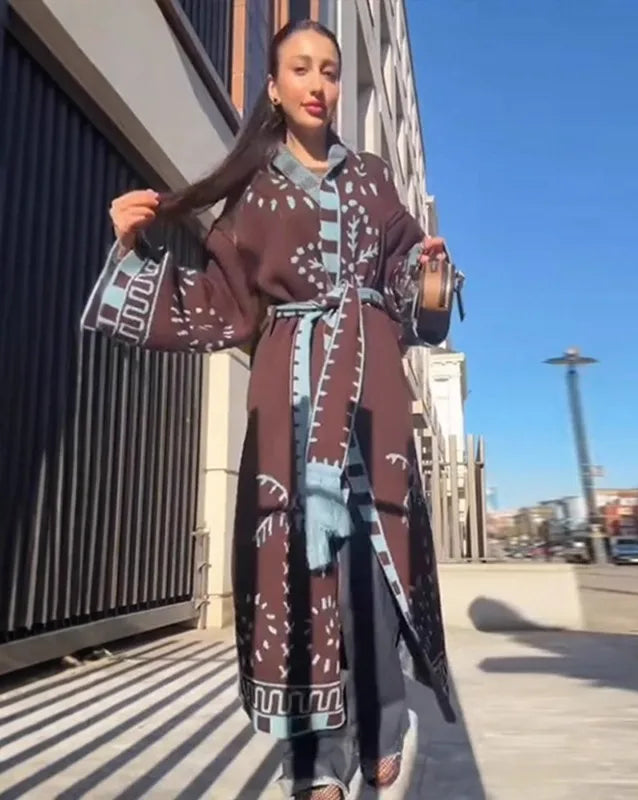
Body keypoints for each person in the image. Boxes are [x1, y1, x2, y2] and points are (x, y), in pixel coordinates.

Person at [80, 19, 456, 800]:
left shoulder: (377, 180)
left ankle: (383, 723)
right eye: (301, 69)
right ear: (275, 89)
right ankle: (316, 757)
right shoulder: (253, 193)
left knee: (377, 569)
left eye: (329, 69)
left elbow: (412, 295)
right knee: (299, 569)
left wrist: (428, 279)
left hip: (375, 392)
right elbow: (220, 303)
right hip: (290, 399)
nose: (319, 83)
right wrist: (135, 251)